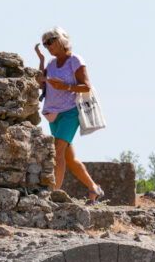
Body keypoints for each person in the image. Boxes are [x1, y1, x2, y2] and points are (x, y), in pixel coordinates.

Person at [35, 28, 106, 203]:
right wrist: (41, 61)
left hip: (70, 112)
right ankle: (94, 189)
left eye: (49, 42)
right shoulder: (51, 64)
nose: (47, 46)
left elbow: (86, 86)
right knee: (69, 158)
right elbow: (39, 85)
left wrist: (65, 86)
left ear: (60, 40)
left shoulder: (75, 60)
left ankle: (53, 196)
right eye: (44, 44)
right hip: (53, 115)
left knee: (57, 151)